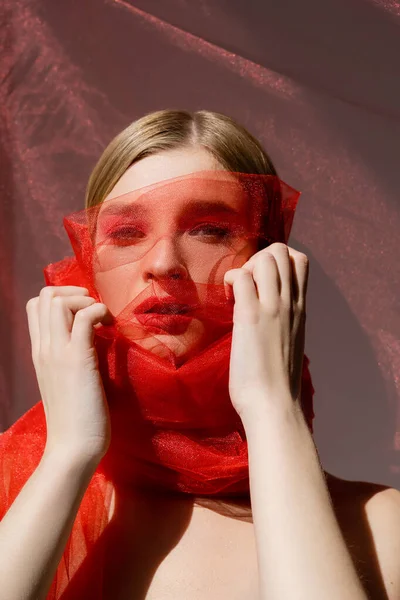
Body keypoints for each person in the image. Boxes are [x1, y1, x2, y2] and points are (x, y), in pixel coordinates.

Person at [0, 109, 399, 599]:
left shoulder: (383, 530)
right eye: (125, 233)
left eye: (210, 230)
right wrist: (69, 452)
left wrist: (273, 408)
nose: (164, 263)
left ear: (268, 263)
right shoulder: (11, 488)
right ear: (87, 266)